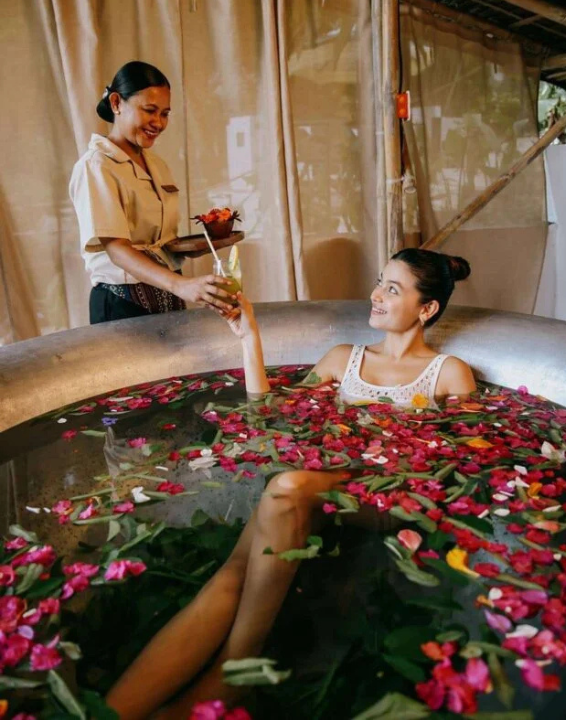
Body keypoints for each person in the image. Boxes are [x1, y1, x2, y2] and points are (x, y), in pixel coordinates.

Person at [105, 249, 477, 719]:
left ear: (427, 309)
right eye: (380, 282)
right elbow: (272, 418)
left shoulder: (449, 372)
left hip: (382, 498)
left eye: (392, 289)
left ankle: (234, 672)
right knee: (233, 574)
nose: (375, 295)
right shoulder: (344, 359)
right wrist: (249, 338)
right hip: (312, 487)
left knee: (286, 487)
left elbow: (464, 464)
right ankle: (111, 712)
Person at [69, 60, 234, 324]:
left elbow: (157, 242)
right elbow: (117, 249)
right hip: (121, 303)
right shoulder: (96, 166)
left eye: (165, 113)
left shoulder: (156, 165)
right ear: (116, 103)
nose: (158, 123)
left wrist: (196, 246)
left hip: (167, 295)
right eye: (149, 110)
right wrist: (181, 285)